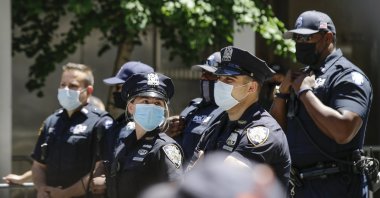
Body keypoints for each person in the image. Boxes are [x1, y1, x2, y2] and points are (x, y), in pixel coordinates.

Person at [270, 10, 373, 198]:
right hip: (300, 186)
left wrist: (305, 93)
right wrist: (281, 95)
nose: (300, 44)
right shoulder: (303, 76)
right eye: (298, 39)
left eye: (307, 39)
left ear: (328, 38)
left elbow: (343, 131)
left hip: (337, 185)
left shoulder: (347, 76)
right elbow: (276, 132)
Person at [188, 46, 291, 189]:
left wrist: (201, 170)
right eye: (219, 78)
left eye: (229, 80)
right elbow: (189, 177)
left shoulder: (263, 131)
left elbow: (223, 183)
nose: (220, 84)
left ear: (251, 88)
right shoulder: (217, 124)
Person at [30, 62, 113, 198]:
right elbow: (38, 165)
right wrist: (41, 189)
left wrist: (65, 194)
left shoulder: (101, 122)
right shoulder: (51, 121)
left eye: (73, 86)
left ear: (89, 91)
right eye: (63, 85)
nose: (66, 89)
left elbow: (100, 169)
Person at [106, 72, 183, 198]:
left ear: (164, 110)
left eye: (158, 103)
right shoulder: (123, 145)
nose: (151, 107)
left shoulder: (165, 148)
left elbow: (176, 191)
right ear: (131, 107)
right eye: (145, 101)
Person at [171, 52, 224, 162]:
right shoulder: (193, 106)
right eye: (203, 72)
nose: (203, 77)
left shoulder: (230, 112)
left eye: (210, 74)